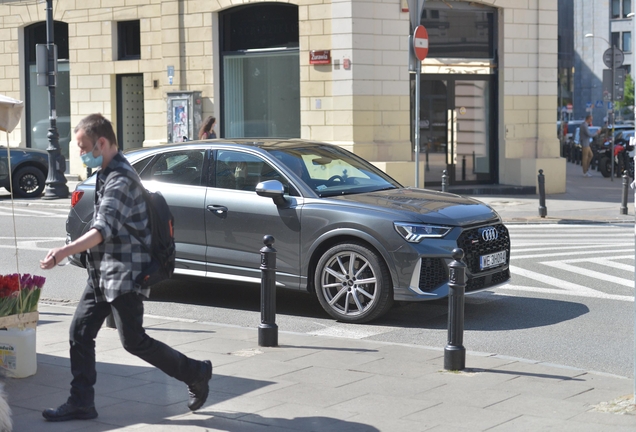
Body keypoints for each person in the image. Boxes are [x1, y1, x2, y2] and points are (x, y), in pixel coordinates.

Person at [39, 114, 212, 422]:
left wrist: (64, 251)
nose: (80, 154)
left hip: (124, 275)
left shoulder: (119, 178)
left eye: (83, 147)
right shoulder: (107, 171)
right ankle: (81, 402)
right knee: (79, 332)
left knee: (134, 341)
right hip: (103, 274)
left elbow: (102, 230)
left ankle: (196, 372)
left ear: (102, 143)